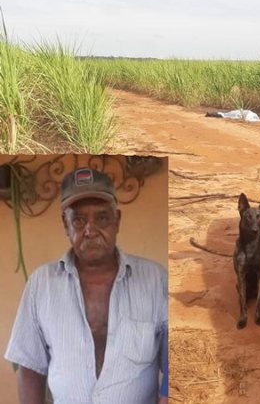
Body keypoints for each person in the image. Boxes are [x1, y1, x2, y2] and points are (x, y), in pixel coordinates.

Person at [4, 167, 168, 403]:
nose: (90, 231)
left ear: (117, 221)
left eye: (102, 218)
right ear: (65, 224)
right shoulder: (41, 285)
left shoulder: (155, 280)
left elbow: (176, 358)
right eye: (79, 220)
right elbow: (30, 367)